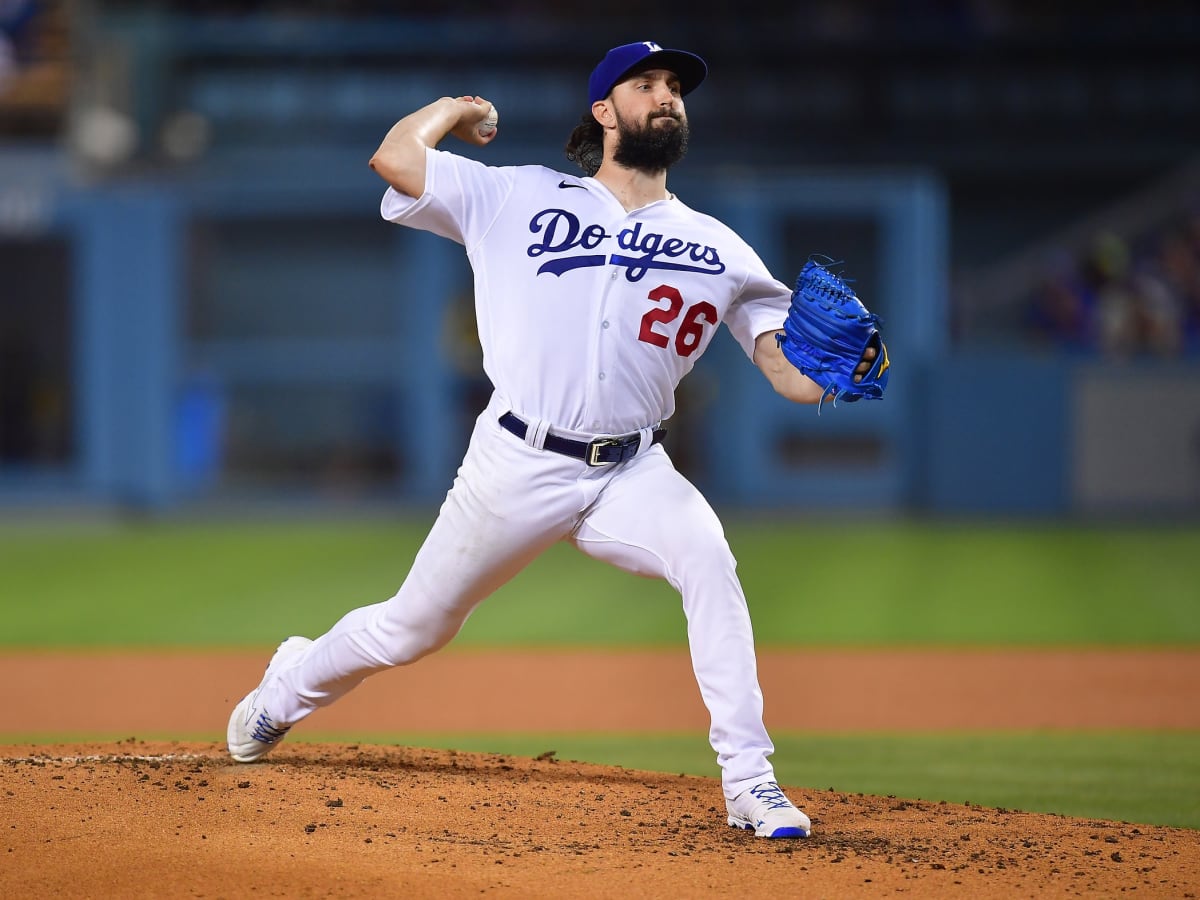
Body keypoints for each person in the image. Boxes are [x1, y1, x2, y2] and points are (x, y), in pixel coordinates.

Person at [227, 40, 880, 840]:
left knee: (708, 555)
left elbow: (787, 374)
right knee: (414, 627)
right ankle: (285, 688)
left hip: (631, 469)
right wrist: (457, 109)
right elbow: (395, 159)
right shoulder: (519, 196)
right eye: (647, 84)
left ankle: (751, 782)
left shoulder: (720, 248)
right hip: (516, 461)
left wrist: (832, 377)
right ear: (604, 111)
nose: (667, 96)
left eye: (676, 86)